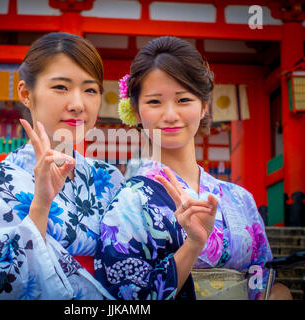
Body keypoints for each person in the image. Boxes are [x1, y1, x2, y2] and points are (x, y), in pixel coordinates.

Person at [95, 36, 291, 300]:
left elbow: (263, 276)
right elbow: (126, 298)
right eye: (154, 102)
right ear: (137, 112)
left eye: (184, 100)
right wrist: (193, 245)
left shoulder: (240, 199)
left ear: (204, 107)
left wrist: (276, 293)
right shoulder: (129, 201)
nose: (171, 114)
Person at [0, 32, 125, 300]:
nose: (77, 104)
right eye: (61, 87)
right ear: (26, 93)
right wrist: (40, 204)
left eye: (90, 90)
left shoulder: (110, 179)